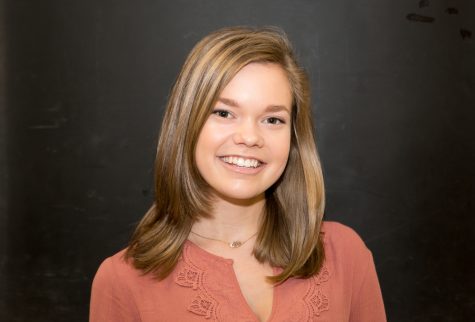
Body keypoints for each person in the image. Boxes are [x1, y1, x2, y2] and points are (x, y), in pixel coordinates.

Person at [89, 26, 386, 322]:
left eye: (272, 119)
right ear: (187, 124)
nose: (249, 137)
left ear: (293, 139)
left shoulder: (344, 253)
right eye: (223, 113)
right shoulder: (123, 281)